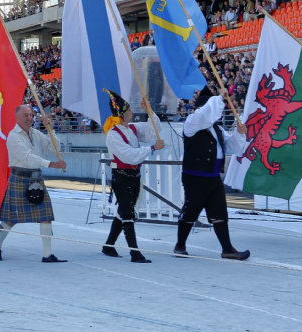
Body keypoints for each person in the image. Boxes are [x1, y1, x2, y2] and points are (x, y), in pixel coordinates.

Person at [174, 86, 250, 260]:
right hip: (195, 176)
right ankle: (180, 244)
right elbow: (204, 116)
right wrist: (218, 98)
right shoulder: (192, 123)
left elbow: (231, 146)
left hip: (213, 176)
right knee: (191, 210)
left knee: (219, 212)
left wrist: (238, 134)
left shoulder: (217, 129)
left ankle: (227, 248)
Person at [0, 104, 68, 263]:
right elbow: (27, 157)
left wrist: (50, 130)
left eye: (31, 115)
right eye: (26, 115)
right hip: (20, 177)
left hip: (36, 178)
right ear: (17, 117)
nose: (30, 118)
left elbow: (52, 148)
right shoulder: (13, 136)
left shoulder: (36, 133)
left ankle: (47, 255)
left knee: (46, 216)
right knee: (11, 219)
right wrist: (51, 164)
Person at [101, 91, 163, 263]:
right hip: (121, 177)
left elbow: (154, 131)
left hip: (134, 176)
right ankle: (135, 253)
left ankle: (109, 245)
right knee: (128, 213)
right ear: (121, 114)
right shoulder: (113, 135)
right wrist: (151, 148)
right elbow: (130, 156)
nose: (132, 112)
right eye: (129, 110)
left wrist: (150, 111)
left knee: (123, 211)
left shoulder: (133, 129)